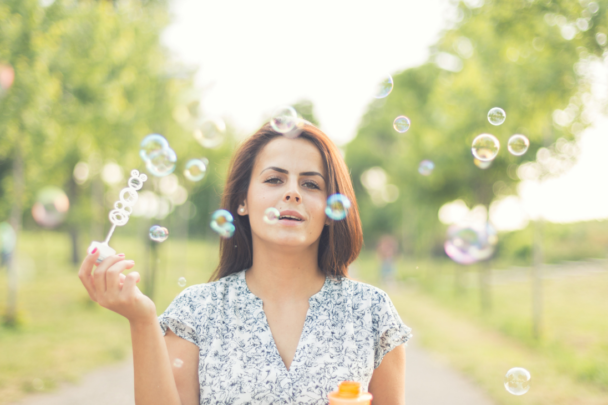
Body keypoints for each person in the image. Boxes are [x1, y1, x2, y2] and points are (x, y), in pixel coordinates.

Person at [78, 122, 412, 405]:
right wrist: (141, 319)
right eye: (274, 180)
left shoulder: (372, 313)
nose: (293, 193)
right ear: (242, 201)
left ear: (330, 211)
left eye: (311, 184)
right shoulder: (197, 311)